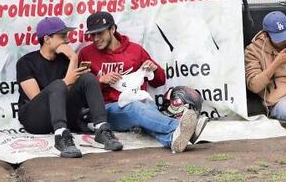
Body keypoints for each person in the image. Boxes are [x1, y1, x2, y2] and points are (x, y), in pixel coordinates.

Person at [77, 11, 202, 153]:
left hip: (142, 103)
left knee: (146, 111)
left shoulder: (135, 50)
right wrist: (100, 80)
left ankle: (172, 138)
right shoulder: (86, 53)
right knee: (137, 109)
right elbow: (79, 89)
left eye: (100, 33)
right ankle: (182, 126)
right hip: (107, 109)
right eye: (92, 35)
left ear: (112, 29)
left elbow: (159, 81)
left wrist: (154, 70)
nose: (95, 38)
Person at [16, 17, 123, 158]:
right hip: (35, 119)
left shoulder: (65, 59)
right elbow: (37, 98)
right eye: (62, 36)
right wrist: (65, 80)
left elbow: (71, 91)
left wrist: (73, 58)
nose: (67, 40)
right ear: (47, 39)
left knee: (88, 78)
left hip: (65, 114)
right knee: (59, 84)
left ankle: (102, 129)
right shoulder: (26, 62)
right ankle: (61, 136)